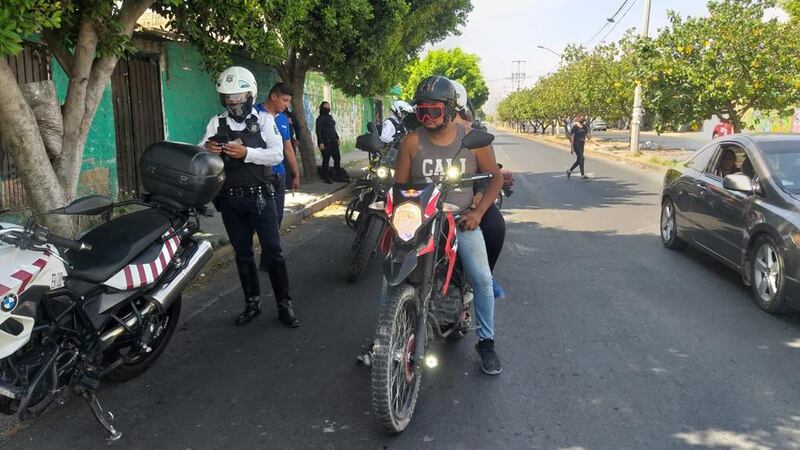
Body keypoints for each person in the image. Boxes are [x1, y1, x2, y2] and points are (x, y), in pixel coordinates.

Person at [394, 75, 504, 375]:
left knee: (481, 278)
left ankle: (486, 342)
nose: (427, 118)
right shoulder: (411, 142)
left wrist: (478, 213)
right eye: (421, 112)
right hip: (421, 223)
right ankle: (384, 337)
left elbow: (495, 178)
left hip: (460, 222)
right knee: (393, 276)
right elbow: (399, 187)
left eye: (434, 111)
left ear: (452, 108)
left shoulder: (472, 137)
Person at [200, 66, 300, 328]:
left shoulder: (265, 120)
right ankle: (252, 303)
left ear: (249, 95)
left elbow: (277, 154)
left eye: (238, 98)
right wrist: (209, 149)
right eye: (228, 98)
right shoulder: (216, 122)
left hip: (260, 197)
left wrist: (246, 153)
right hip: (230, 200)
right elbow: (201, 155)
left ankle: (284, 304)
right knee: (242, 253)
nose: (233, 103)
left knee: (274, 251)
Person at [450, 79, 507, 300]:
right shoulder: (420, 134)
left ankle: (485, 278)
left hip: (468, 197)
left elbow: (489, 174)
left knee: (494, 227)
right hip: (430, 199)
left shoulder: (475, 134)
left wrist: (480, 194)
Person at [256, 82, 301, 226]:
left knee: (277, 217)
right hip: (257, 177)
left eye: (289, 101)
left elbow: (288, 148)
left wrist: (296, 174)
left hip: (278, 176)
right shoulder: (253, 113)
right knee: (259, 217)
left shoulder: (283, 119)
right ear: (273, 96)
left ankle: (273, 248)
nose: (287, 105)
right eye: (285, 100)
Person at [315, 101, 341, 184]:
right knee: (326, 159)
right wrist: (321, 142)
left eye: (328, 107)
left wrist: (337, 138)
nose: (327, 108)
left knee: (337, 158)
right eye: (326, 106)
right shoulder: (320, 118)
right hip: (325, 142)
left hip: (333, 141)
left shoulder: (330, 117)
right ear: (322, 108)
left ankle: (338, 174)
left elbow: (333, 129)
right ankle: (326, 177)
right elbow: (318, 131)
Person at [567, 114, 590, 181]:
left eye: (583, 118)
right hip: (576, 144)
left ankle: (569, 171)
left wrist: (589, 136)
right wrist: (572, 147)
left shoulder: (584, 127)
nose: (582, 119)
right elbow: (572, 137)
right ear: (578, 119)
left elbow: (588, 136)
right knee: (581, 158)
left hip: (582, 144)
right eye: (581, 118)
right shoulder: (575, 127)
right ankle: (582, 175)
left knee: (579, 160)